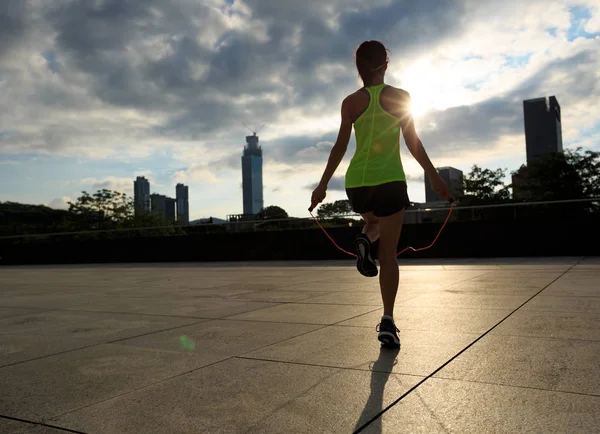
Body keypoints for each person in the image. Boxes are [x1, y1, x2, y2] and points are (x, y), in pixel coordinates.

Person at [310, 40, 450, 348]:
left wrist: (322, 186)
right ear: (385, 64)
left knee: (372, 221)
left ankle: (365, 237)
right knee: (389, 256)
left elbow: (339, 147)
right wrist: (433, 174)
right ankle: (387, 321)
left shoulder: (349, 102)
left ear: (358, 68)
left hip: (357, 184)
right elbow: (413, 142)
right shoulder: (401, 97)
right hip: (389, 182)